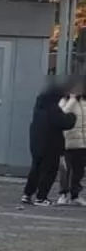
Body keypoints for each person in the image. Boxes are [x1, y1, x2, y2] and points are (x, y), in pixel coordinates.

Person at [23, 77, 78, 206]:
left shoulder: (39, 108)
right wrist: (72, 116)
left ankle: (27, 194)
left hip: (36, 144)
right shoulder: (53, 109)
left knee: (35, 169)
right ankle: (41, 197)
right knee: (49, 171)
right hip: (51, 145)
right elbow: (64, 122)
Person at [57, 80, 86, 205]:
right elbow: (61, 114)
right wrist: (72, 100)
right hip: (67, 143)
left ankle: (75, 195)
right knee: (65, 170)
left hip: (82, 143)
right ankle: (63, 194)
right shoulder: (64, 101)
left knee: (79, 171)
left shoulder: (84, 102)